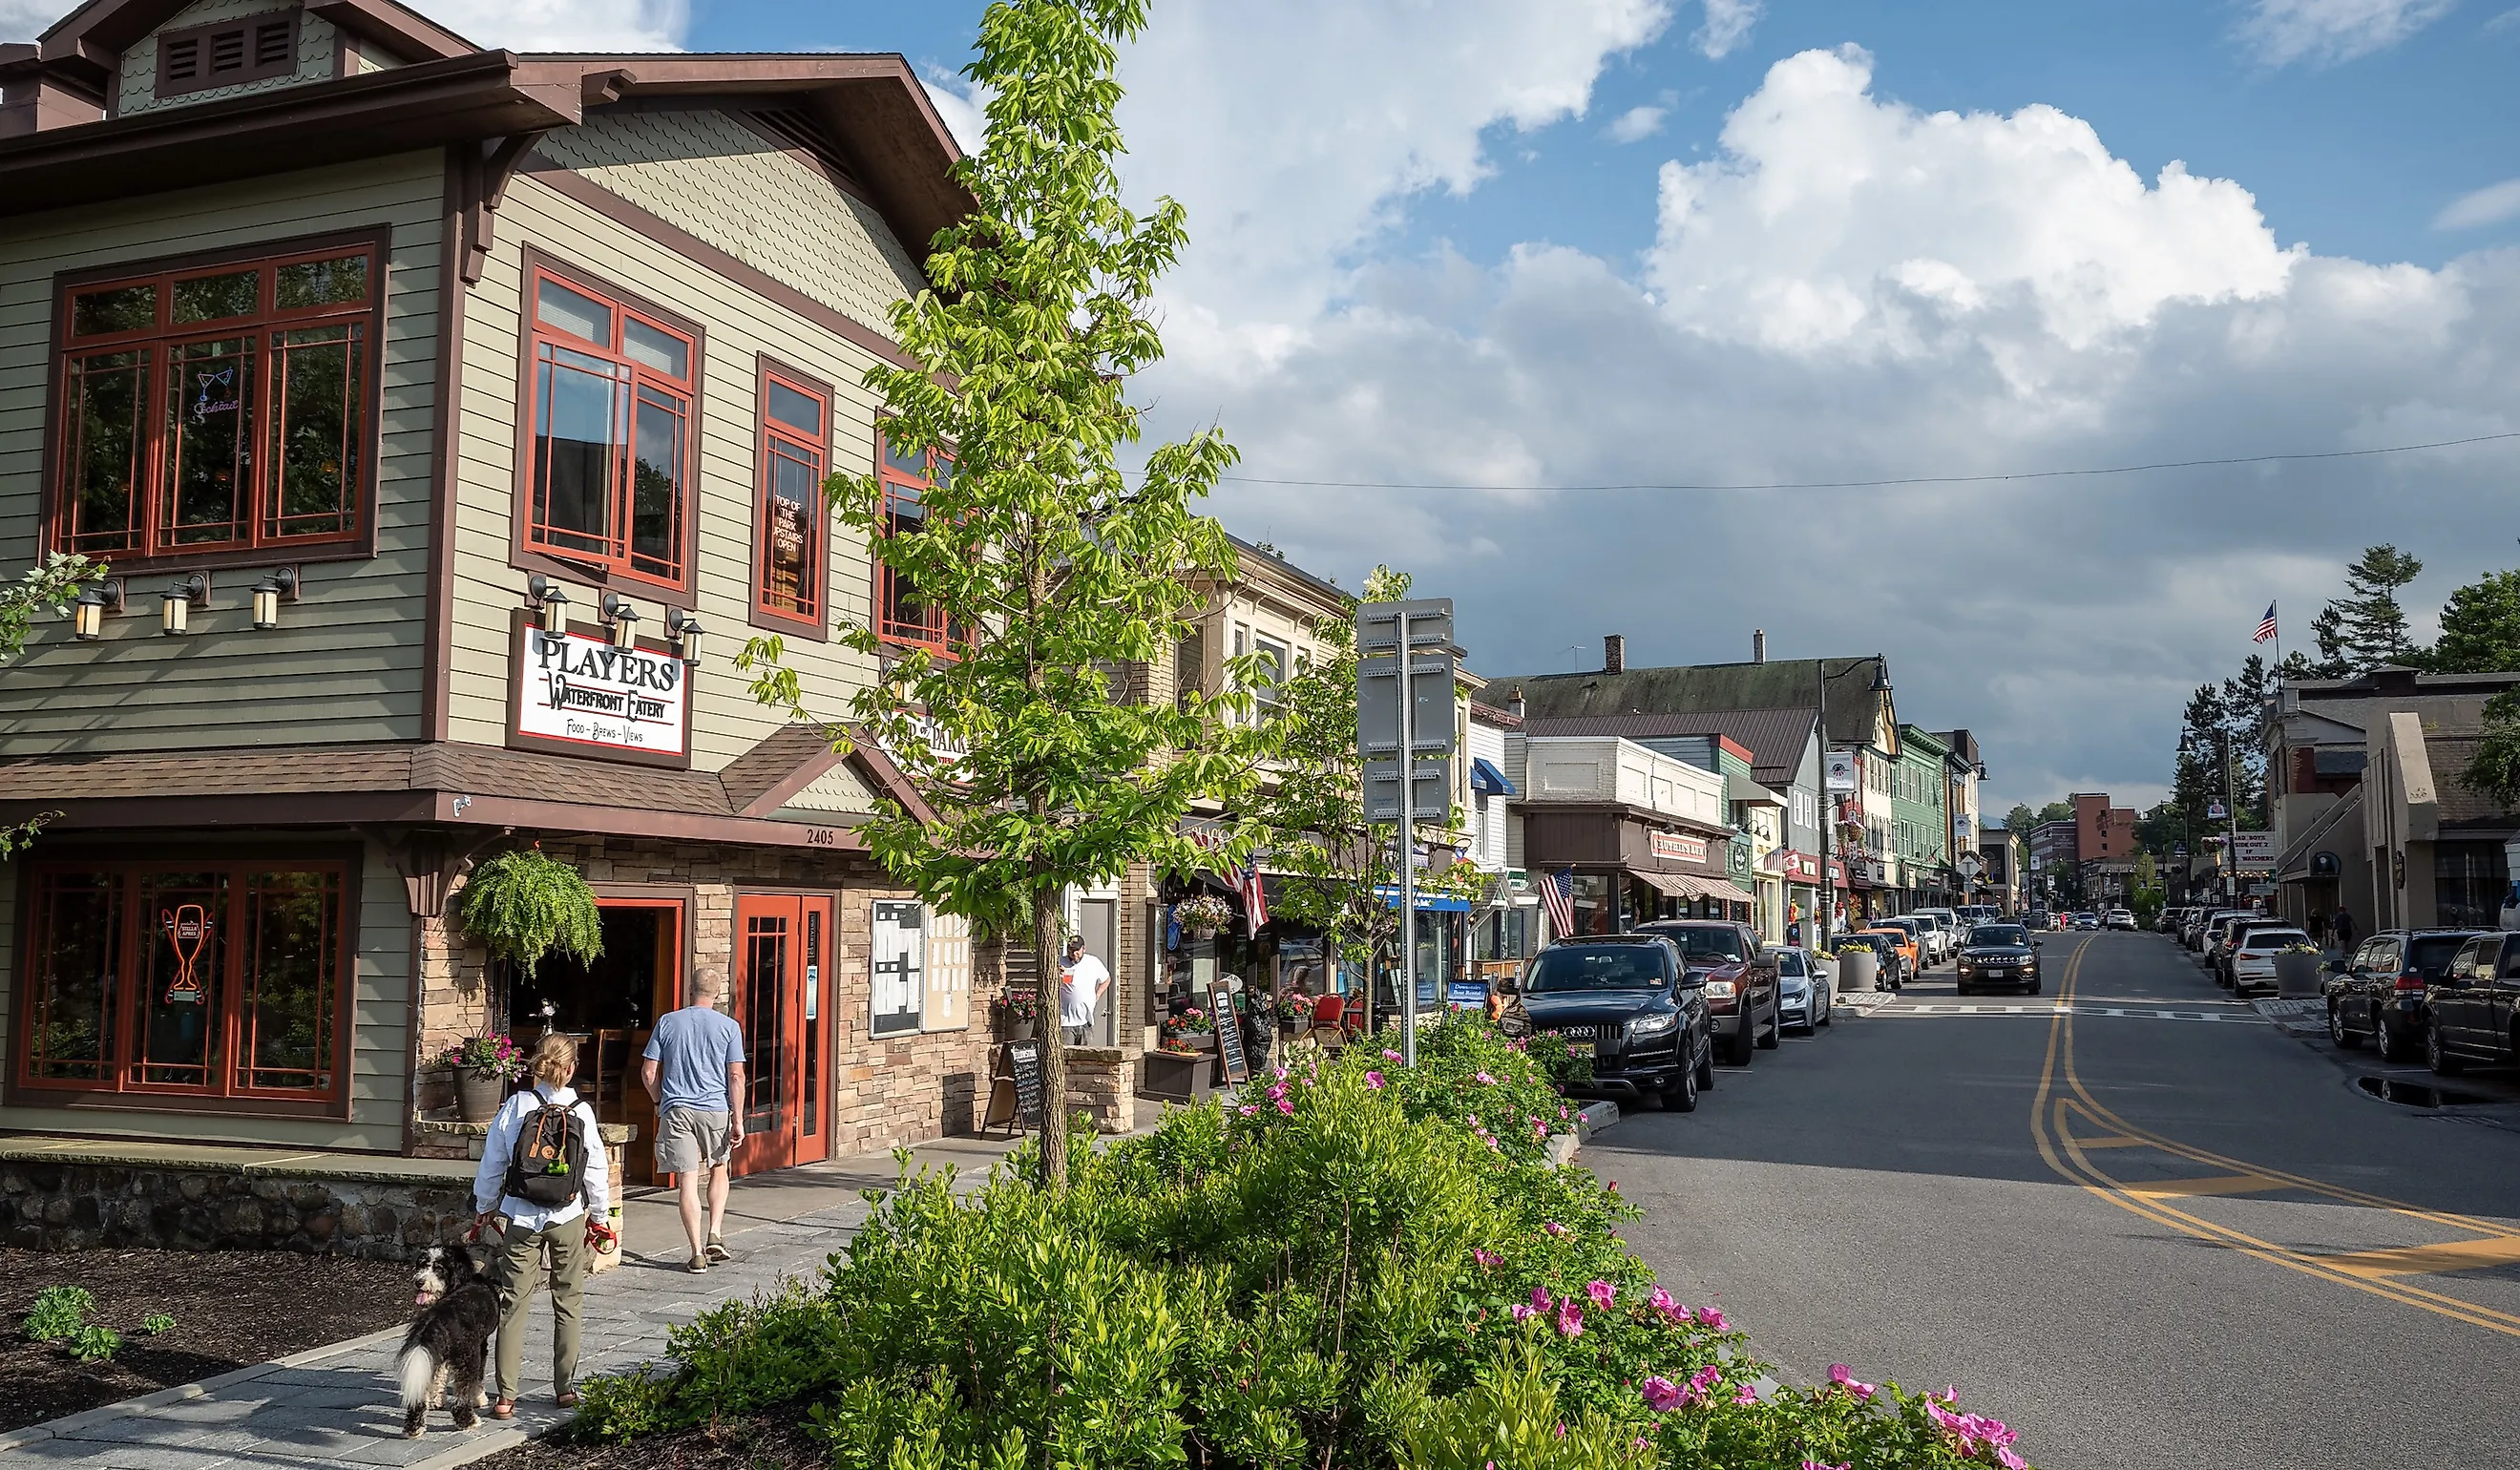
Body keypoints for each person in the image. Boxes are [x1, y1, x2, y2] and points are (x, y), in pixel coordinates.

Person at [473, 1032, 610, 1418]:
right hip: (567, 1215)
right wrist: (599, 1217)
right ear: (571, 1068)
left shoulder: (517, 1105)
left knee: (513, 1303)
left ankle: (506, 1396)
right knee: (568, 1300)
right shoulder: (582, 1111)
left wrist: (485, 1206)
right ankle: (565, 1389)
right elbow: (596, 1170)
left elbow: (493, 1162)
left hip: (520, 1214)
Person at [640, 966, 746, 1274]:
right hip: (715, 1109)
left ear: (690, 990)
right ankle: (715, 1231)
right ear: (717, 993)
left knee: (687, 1180)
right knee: (719, 1168)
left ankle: (696, 1252)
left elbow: (648, 1072)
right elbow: (736, 1076)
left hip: (677, 1110)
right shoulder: (729, 1027)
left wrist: (659, 1100)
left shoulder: (667, 1022)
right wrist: (737, 1119)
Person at [1059, 935, 1109, 1046]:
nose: (1074, 953)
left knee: (1085, 1058)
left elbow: (1106, 979)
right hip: (1065, 1021)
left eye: (1077, 950)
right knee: (1066, 1057)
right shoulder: (1060, 962)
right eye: (1071, 950)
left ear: (1083, 949)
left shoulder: (1093, 962)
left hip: (1086, 1021)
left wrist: (1097, 995)